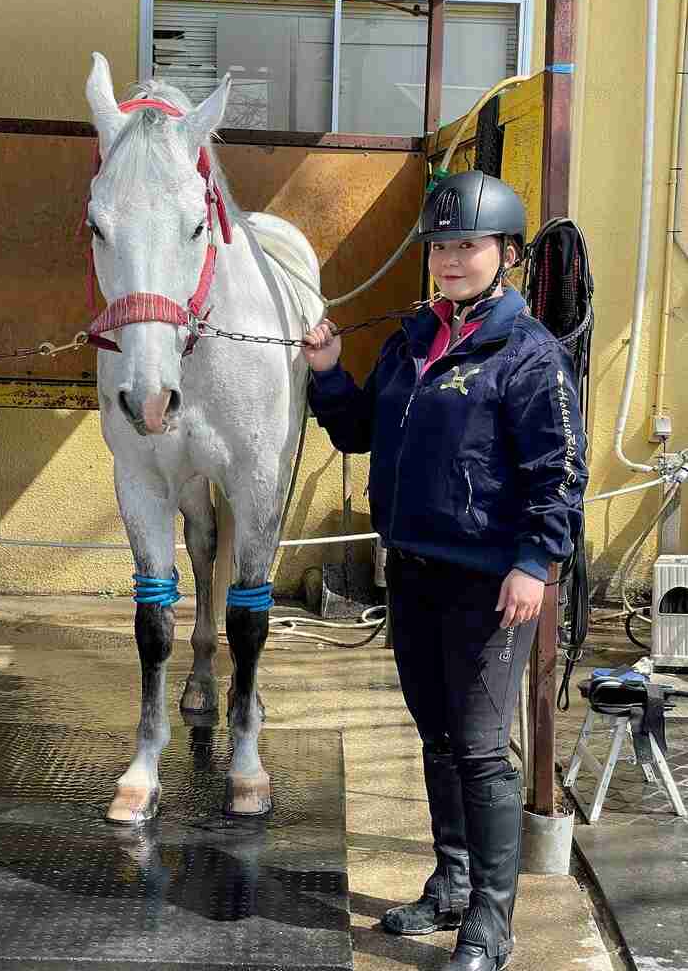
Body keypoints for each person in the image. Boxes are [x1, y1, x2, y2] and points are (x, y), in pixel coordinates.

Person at [302, 170, 588, 971]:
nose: (450, 260)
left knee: (480, 749)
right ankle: (453, 881)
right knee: (436, 738)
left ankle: (491, 924)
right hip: (415, 572)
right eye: (440, 246)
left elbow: (561, 474)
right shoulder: (411, 341)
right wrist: (328, 370)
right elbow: (361, 433)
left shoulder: (529, 356)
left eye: (467, 245)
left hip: (492, 584)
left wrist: (536, 562)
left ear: (505, 253)